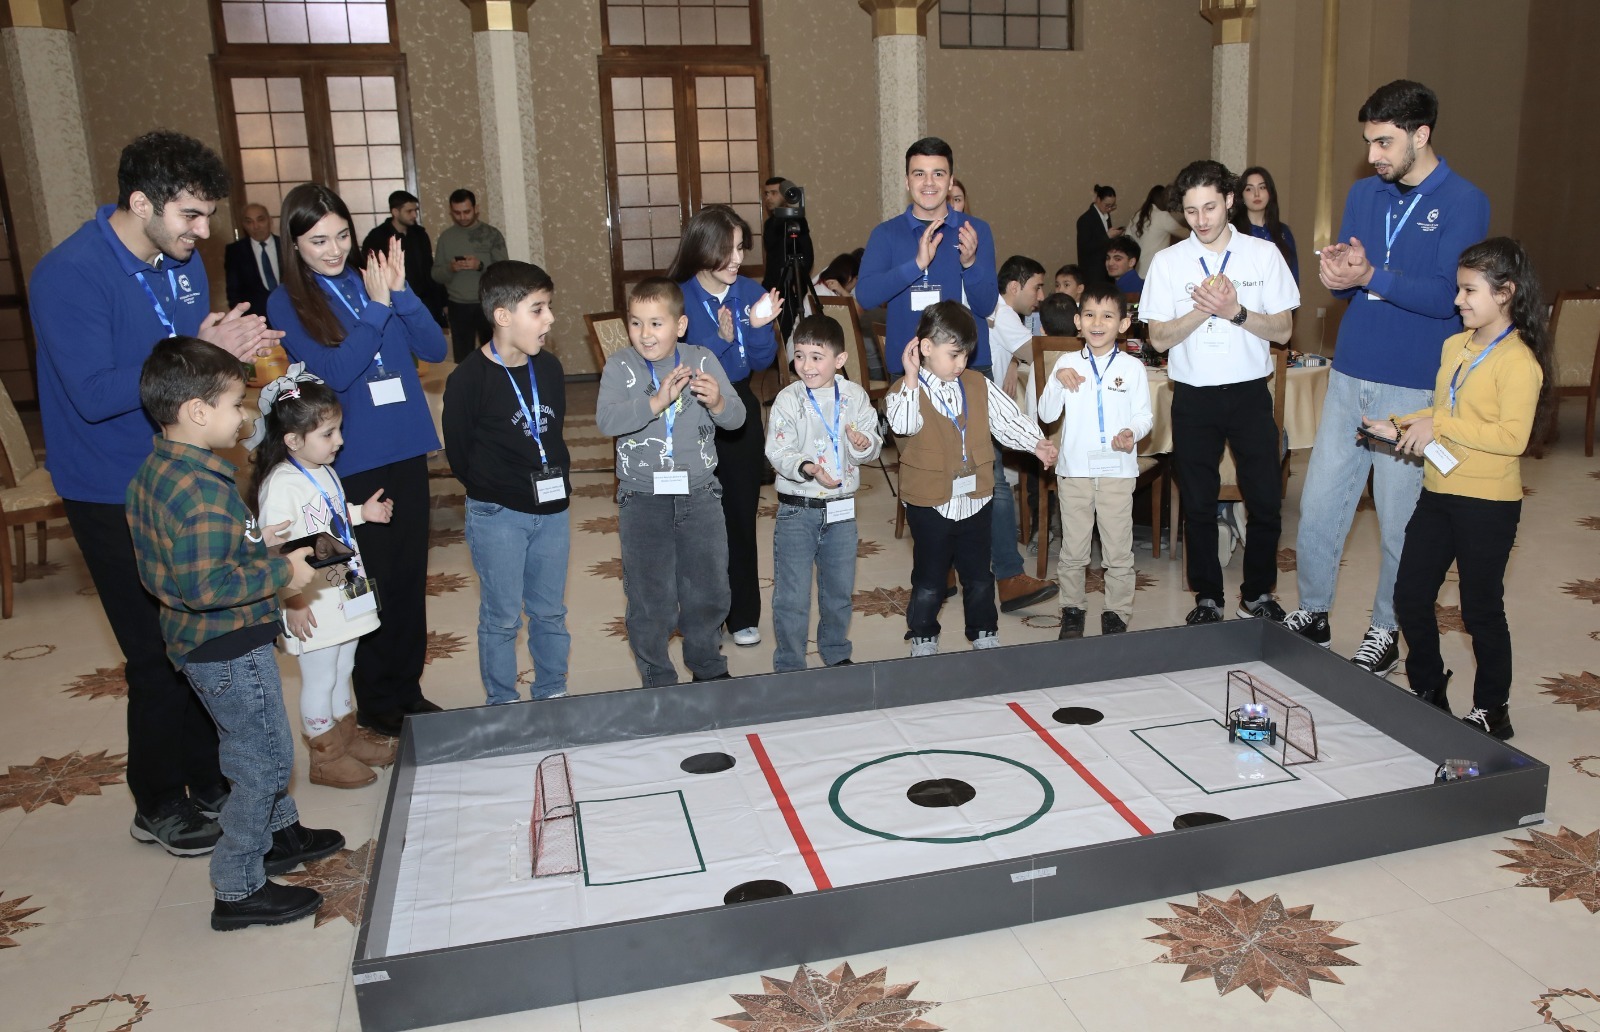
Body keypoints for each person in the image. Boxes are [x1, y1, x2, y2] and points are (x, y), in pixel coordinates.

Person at [30, 129, 283, 858]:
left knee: (208, 637)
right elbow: (96, 393)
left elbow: (182, 367)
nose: (203, 234)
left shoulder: (181, 264)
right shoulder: (69, 274)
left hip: (191, 472)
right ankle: (157, 801)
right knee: (153, 650)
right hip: (113, 487)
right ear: (140, 203)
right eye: (191, 217)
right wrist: (209, 355)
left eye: (208, 217)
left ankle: (208, 780)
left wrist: (210, 347)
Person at [125, 336, 343, 930]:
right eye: (233, 405)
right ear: (198, 411)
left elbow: (180, 564)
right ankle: (239, 886)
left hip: (207, 642)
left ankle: (282, 835)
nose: (245, 418)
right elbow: (204, 587)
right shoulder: (200, 493)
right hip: (227, 644)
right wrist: (285, 570)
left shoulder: (161, 472)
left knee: (258, 746)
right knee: (264, 763)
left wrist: (257, 541)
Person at [1283, 80, 1490, 675]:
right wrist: (1340, 275)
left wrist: (1372, 275)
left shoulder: (1464, 201)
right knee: (1321, 505)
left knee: (1401, 522)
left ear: (1420, 135)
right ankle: (1314, 612)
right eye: (1369, 142)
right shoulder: (1364, 194)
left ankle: (1387, 627)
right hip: (1351, 371)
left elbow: (1449, 299)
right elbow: (1352, 280)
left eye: (1384, 142)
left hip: (1414, 384)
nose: (1373, 155)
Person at [269, 182, 449, 738]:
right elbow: (340, 370)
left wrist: (401, 294)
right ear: (294, 244)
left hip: (404, 445)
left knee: (406, 577)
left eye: (342, 234)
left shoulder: (366, 280)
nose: (334, 249)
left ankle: (407, 689)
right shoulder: (288, 300)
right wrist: (376, 307)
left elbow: (435, 350)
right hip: (348, 459)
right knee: (360, 584)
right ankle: (373, 700)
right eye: (318, 239)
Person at [1363, 238, 1552, 740]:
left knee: (1480, 608)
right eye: (1459, 289)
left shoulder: (1519, 361)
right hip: (1438, 490)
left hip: (1488, 503)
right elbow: (1448, 410)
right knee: (1410, 594)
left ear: (1506, 293)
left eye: (1470, 291)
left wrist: (1440, 430)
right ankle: (1429, 688)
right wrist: (1399, 423)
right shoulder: (1454, 345)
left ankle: (1494, 708)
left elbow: (1512, 437)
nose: (1458, 301)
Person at [1141, 160, 1299, 625]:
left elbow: (1286, 331)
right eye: (1191, 211)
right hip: (1193, 396)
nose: (1202, 219)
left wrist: (1236, 311)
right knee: (1199, 502)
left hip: (1250, 394)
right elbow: (1158, 339)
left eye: (1210, 207)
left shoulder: (1262, 255)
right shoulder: (1169, 263)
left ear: (1230, 200)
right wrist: (1203, 310)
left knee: (1266, 499)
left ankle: (1258, 594)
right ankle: (1208, 597)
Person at [887, 301, 1059, 656]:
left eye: (966, 355)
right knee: (931, 579)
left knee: (979, 575)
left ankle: (983, 630)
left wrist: (1036, 444)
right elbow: (903, 425)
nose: (961, 363)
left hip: (975, 498)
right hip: (930, 501)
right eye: (953, 355)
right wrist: (909, 376)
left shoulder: (977, 383)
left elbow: (1007, 418)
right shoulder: (906, 390)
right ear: (925, 347)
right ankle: (922, 633)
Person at [251, 369, 396, 788]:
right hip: (310, 597)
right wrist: (292, 602)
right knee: (320, 674)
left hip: (344, 581)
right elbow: (274, 548)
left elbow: (328, 517)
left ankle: (345, 736)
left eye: (338, 431)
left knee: (344, 663)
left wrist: (361, 514)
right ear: (292, 440)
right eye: (329, 434)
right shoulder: (281, 484)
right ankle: (324, 754)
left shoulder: (321, 467)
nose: (340, 441)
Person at [597, 277, 745, 686]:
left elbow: (737, 418)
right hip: (642, 497)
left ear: (680, 326)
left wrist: (717, 401)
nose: (645, 334)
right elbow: (606, 419)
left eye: (656, 323)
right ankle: (657, 678)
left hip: (699, 493)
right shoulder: (620, 366)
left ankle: (708, 667)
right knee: (650, 597)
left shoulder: (702, 360)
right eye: (636, 323)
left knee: (709, 588)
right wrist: (655, 402)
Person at [443, 260, 573, 705]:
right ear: (503, 316)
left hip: (553, 511)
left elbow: (551, 433)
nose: (549, 319)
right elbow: (459, 455)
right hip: (498, 515)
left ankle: (553, 690)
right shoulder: (468, 380)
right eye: (538, 309)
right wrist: (498, 490)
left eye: (548, 307)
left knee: (550, 612)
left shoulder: (549, 368)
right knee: (501, 618)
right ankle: (502, 701)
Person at [666, 205, 782, 648]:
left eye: (740, 248)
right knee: (693, 517)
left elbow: (760, 362)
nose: (737, 258)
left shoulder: (750, 291)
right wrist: (721, 340)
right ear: (702, 249)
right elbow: (673, 361)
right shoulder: (677, 297)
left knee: (739, 512)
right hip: (689, 409)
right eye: (728, 249)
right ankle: (699, 613)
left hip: (737, 407)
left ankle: (742, 614)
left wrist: (756, 327)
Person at [765, 314, 882, 671]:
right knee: (792, 594)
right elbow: (778, 450)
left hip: (842, 510)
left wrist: (862, 444)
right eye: (799, 355)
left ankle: (835, 651)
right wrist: (807, 467)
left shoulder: (855, 396)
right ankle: (789, 663)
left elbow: (872, 444)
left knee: (838, 591)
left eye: (817, 356)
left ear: (840, 360)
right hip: (797, 510)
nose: (806, 365)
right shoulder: (788, 398)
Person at [1038, 282, 1152, 638]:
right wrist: (1056, 382)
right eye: (1089, 315)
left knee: (1118, 549)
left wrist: (1131, 431)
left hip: (1117, 471)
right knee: (1073, 548)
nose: (1097, 322)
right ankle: (1072, 608)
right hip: (1075, 472)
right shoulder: (1066, 364)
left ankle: (1117, 613)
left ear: (1123, 324)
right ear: (1077, 321)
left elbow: (1145, 416)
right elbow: (1045, 412)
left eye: (1107, 316)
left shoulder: (1133, 368)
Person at [857, 136, 998, 378]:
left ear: (951, 181)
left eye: (939, 174)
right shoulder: (886, 234)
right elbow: (866, 296)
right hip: (909, 365)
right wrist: (917, 265)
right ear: (907, 181)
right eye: (919, 174)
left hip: (967, 366)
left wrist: (970, 264)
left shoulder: (975, 230)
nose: (929, 183)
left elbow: (986, 306)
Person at [431, 188, 508, 362]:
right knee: (462, 358)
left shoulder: (491, 234)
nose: (462, 216)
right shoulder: (446, 237)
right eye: (457, 213)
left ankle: (496, 388)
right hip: (458, 306)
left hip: (488, 302)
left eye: (467, 211)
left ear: (476, 208)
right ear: (451, 212)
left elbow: (504, 270)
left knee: (495, 355)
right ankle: (468, 389)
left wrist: (480, 265)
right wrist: (450, 268)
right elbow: (436, 275)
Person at [361, 190, 446, 324]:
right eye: (409, 211)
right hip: (394, 301)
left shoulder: (420, 234)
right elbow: (373, 272)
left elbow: (429, 268)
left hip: (424, 300)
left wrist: (441, 301)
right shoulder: (377, 237)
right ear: (395, 212)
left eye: (415, 210)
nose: (414, 215)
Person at [761, 175, 814, 342]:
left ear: (786, 194)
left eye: (774, 193)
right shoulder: (770, 223)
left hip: (791, 285)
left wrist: (796, 280)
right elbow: (771, 247)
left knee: (791, 330)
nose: (769, 198)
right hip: (772, 284)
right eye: (766, 193)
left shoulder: (797, 220)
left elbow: (807, 254)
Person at [1231, 167, 1300, 284]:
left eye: (1262, 187)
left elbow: (1293, 278)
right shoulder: (1232, 232)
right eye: (1249, 189)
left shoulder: (1283, 232)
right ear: (1241, 196)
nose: (1256, 194)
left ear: (1270, 193)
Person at [223, 202, 281, 317]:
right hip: (256, 319)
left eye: (261, 220)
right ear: (244, 225)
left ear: (270, 221)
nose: (256, 226)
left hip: (290, 315)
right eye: (249, 222)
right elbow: (233, 292)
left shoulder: (287, 246)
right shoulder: (235, 251)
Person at [1128, 185, 1184, 277]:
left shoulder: (1138, 214)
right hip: (1153, 268)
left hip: (1137, 268)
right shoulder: (1162, 216)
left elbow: (1127, 236)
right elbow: (1185, 233)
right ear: (1160, 199)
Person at [1075, 185, 1121, 283]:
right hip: (1092, 273)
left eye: (1112, 206)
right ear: (1098, 200)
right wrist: (1107, 236)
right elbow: (1085, 248)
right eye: (1107, 205)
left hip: (1106, 270)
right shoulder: (1085, 219)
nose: (1109, 209)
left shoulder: (1105, 216)